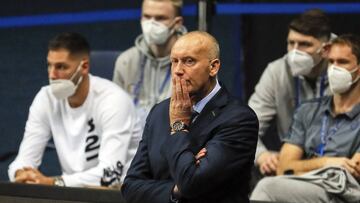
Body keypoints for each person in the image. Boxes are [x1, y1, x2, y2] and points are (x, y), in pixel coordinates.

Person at [121, 31, 258, 203]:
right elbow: (130, 187)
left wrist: (178, 124)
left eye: (189, 61)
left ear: (213, 67)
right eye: (174, 61)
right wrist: (176, 190)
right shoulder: (159, 112)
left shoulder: (239, 119)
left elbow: (191, 183)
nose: (178, 70)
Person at [8, 32, 141, 187]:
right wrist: (22, 174)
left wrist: (54, 182)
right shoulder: (46, 98)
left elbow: (109, 175)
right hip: (70, 191)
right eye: (49, 65)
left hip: (118, 193)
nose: (52, 75)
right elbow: (24, 158)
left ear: (84, 67)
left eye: (61, 67)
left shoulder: (114, 101)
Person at [251, 34, 360, 203]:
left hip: (342, 193)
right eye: (331, 62)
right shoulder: (308, 110)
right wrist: (328, 162)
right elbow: (284, 167)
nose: (335, 69)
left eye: (343, 62)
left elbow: (352, 172)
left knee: (267, 188)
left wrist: (301, 167)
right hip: (305, 186)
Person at [248, 9, 333, 176]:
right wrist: (262, 156)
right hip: (290, 165)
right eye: (291, 43)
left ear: (326, 48)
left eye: (305, 44)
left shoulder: (346, 68)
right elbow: (246, 127)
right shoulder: (277, 71)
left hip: (336, 162)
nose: (295, 52)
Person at [113, 0, 187, 127]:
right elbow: (115, 112)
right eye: (147, 16)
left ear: (177, 23)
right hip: (132, 141)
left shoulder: (194, 62)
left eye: (160, 18)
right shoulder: (126, 61)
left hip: (175, 139)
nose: (151, 24)